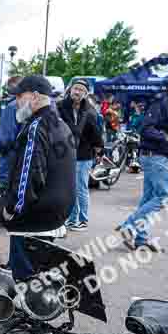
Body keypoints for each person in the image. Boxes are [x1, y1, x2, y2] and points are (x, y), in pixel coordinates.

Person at [0, 76, 75, 281]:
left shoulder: (36, 126)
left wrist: (11, 209)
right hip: (58, 209)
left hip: (38, 212)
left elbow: (29, 175)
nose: (16, 103)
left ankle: (24, 306)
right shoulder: (60, 124)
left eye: (19, 97)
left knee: (24, 272)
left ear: (34, 96)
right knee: (38, 267)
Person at [117, 71, 168, 252]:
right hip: (155, 157)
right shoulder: (161, 103)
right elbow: (145, 129)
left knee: (149, 199)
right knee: (163, 198)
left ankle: (141, 239)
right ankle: (127, 228)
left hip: (157, 156)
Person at [58, 79, 104, 232]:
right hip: (64, 154)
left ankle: (81, 219)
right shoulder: (60, 107)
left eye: (81, 90)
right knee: (69, 188)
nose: (77, 92)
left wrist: (100, 151)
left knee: (80, 187)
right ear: (70, 90)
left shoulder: (89, 111)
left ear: (85, 94)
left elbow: (96, 134)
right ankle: (72, 219)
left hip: (83, 155)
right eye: (75, 88)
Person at [0, 76, 23, 197]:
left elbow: (6, 139)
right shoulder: (38, 105)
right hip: (28, 166)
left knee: (8, 203)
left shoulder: (13, 106)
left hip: (11, 164)